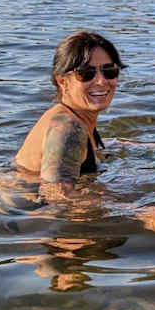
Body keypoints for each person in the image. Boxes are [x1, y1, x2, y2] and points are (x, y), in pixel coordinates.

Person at [15, 30, 125, 201]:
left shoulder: (75, 118)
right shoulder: (68, 127)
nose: (101, 81)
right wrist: (141, 213)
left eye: (109, 71)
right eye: (86, 73)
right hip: (23, 214)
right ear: (63, 82)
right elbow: (55, 197)